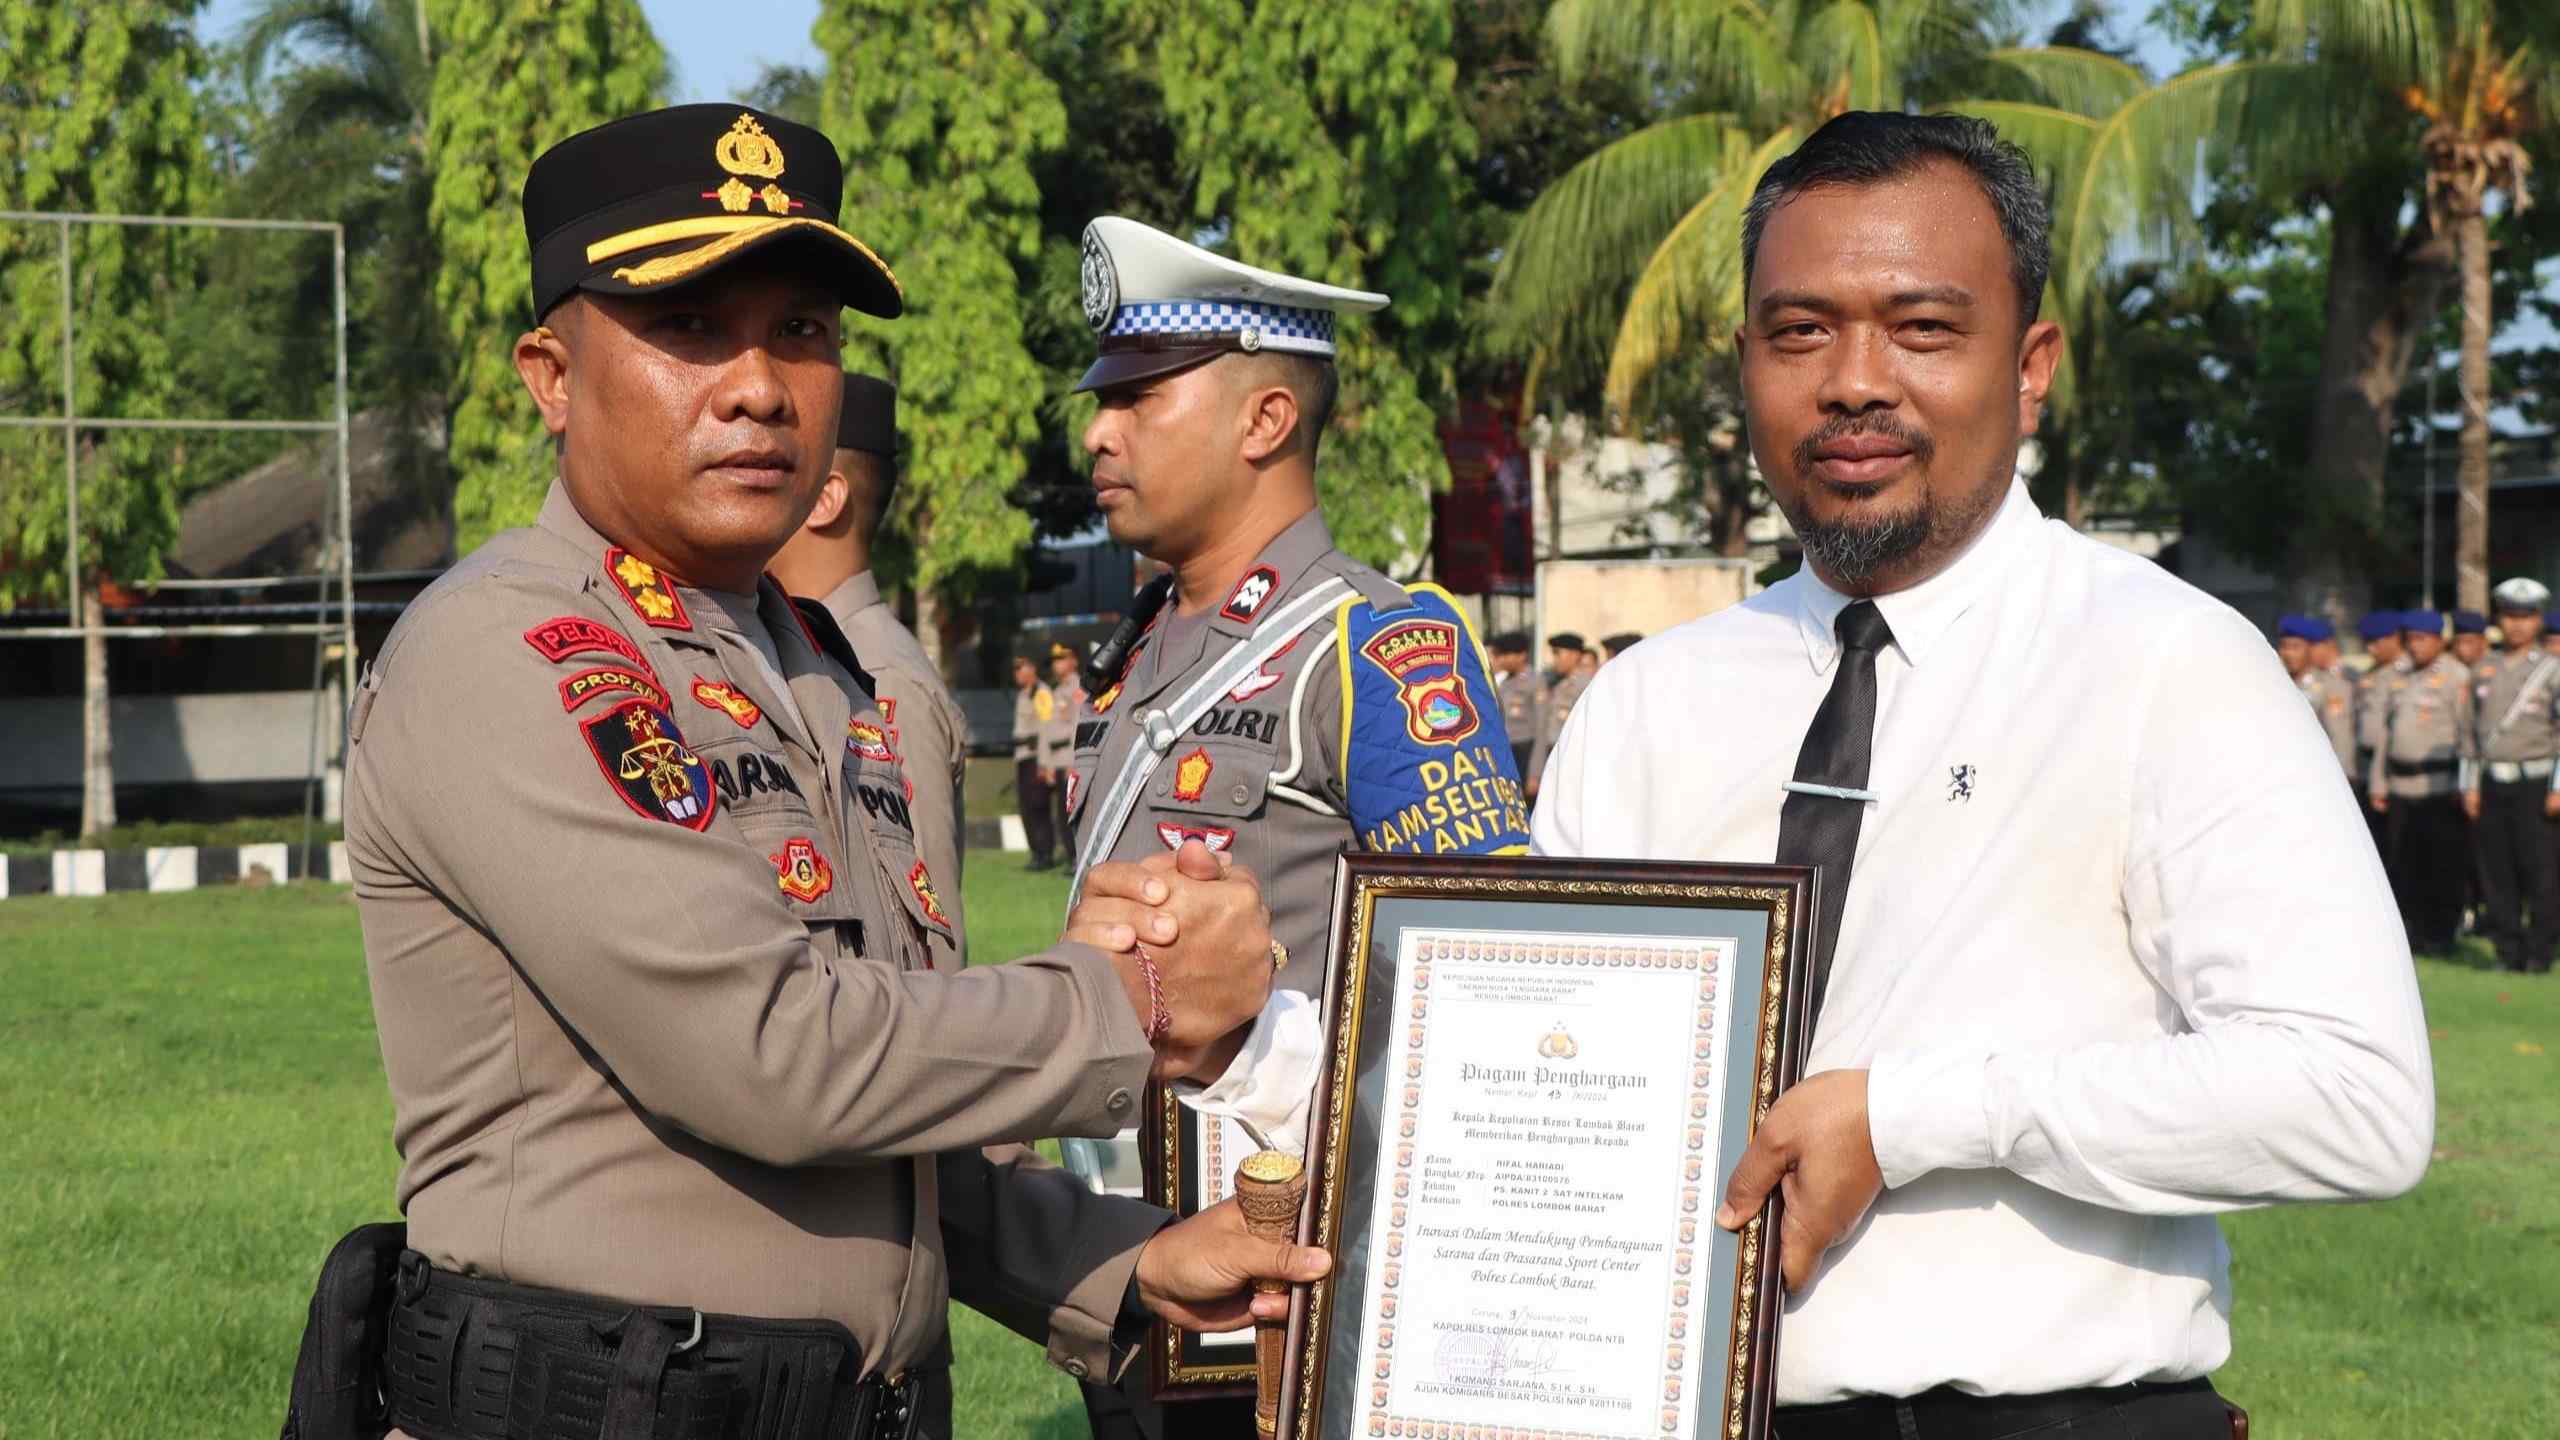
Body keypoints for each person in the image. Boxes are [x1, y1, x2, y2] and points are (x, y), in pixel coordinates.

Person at [306, 104, 1328, 1440]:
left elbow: (892, 1098)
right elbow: (774, 1056)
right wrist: (1130, 997)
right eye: (687, 327)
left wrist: (1118, 1265)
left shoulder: (826, 672)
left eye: (801, 331)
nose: (758, 385)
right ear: (551, 376)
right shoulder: (513, 649)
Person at [1523, 112, 2429, 1437]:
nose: (1853, 382)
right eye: (1800, 331)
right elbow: (1526, 1066)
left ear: (2031, 366)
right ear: (1746, 366)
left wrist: (1916, 1115)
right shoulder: (1653, 700)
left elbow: (2355, 1098)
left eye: (1924, 329)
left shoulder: (2162, 663)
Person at [1060, 213, 1531, 1440]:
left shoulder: (1372, 644)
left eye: (1139, 397)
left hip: (1292, 1287)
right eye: (1099, 399)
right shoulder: (1146, 648)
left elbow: (1487, 997)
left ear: (1265, 420)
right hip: (1134, 1259)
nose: (1096, 432)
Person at [769, 372, 972, 956]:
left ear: (825, 499)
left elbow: (929, 942)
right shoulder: (792, 649)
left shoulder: (882, 676)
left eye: (773, 469)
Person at [2463, 578, 2560, 974]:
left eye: (2526, 617)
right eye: (2510, 616)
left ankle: (2539, 952)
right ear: (2499, 619)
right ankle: (2507, 951)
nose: (2517, 625)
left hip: (2536, 784)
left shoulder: (2552, 669)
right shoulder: (2484, 668)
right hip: (2492, 783)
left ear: (2538, 621)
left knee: (2540, 872)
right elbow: (2468, 734)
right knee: (2496, 872)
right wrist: (2468, 784)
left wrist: (2558, 787)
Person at [2372, 611, 2474, 953]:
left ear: (2439, 641)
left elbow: (2466, 734)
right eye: (2410, 639)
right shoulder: (2398, 676)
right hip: (2401, 786)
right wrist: (2378, 782)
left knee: (2442, 864)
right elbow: (2386, 733)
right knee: (2405, 864)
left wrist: (2466, 785)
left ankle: (2441, 933)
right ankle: (2412, 932)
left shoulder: (2455, 676)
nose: (2415, 646)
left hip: (2438, 785)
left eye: (2422, 639)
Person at [2353, 611, 2410, 853]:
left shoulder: (2406, 671)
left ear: (2395, 639)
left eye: (2377, 641)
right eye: (2367, 642)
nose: (2371, 648)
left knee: (2395, 841)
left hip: (2389, 764)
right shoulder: (2370, 673)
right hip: (2366, 764)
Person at [2276, 614, 2356, 783]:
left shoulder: (2331, 686)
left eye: (2296, 647)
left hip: (2318, 776)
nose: (2289, 654)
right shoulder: (2277, 683)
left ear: (2310, 649)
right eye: (2284, 646)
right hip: (2284, 774)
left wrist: (2342, 780)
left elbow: (2340, 737)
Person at [1012, 654, 1062, 870]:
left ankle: (1045, 854)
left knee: (1038, 806)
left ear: (1031, 669)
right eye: (1015, 670)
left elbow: (1046, 727)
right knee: (1026, 808)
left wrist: (1045, 763)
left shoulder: (1040, 693)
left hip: (1036, 757)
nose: (1017, 674)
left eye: (1021, 668)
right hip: (1022, 755)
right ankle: (1036, 853)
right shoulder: (1023, 694)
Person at [1529, 631, 1593, 795]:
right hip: (1552, 755)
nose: (1555, 660)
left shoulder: (1586, 685)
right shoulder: (1554, 682)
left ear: (1574, 655)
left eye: (1558, 654)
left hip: (1573, 759)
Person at [1486, 629, 1545, 780]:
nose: (1502, 659)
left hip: (1526, 751)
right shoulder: (1504, 683)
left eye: (1506, 655)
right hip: (1508, 751)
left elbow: (1541, 728)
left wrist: (1535, 772)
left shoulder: (1534, 682)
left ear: (1522, 655)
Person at [1048, 641, 1088, 851]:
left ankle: (1075, 856)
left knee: (1072, 809)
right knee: (1061, 811)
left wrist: (1074, 761)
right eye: (1055, 660)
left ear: (1074, 661)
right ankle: (1069, 855)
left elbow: (1077, 723)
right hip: (1058, 757)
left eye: (1062, 658)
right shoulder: (1058, 690)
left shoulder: (1078, 688)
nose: (1057, 664)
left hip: (1069, 759)